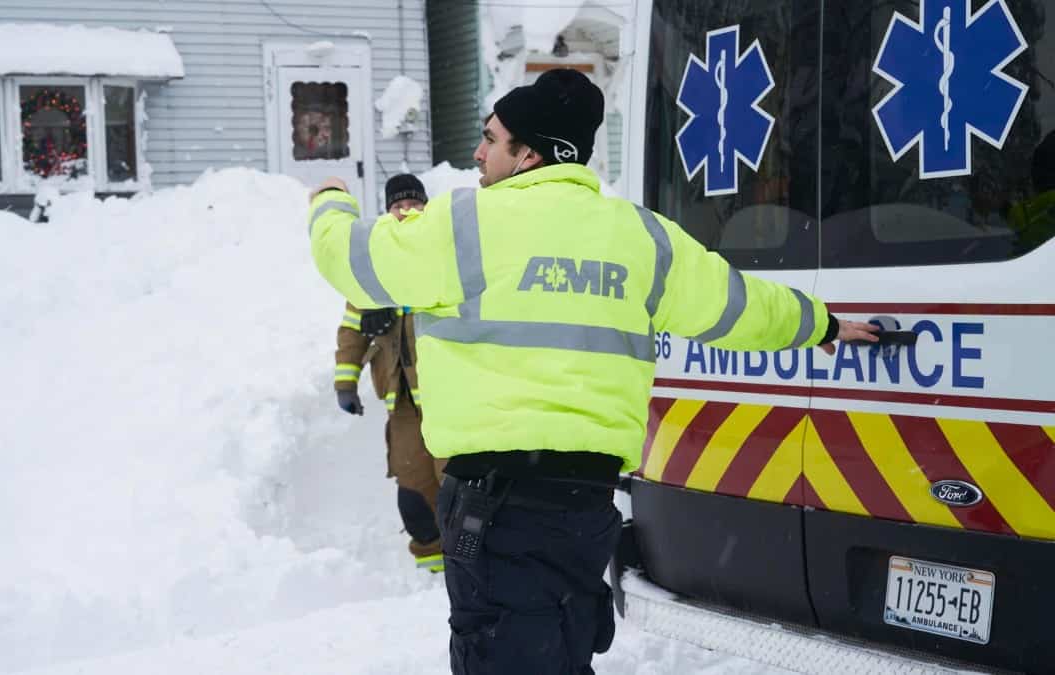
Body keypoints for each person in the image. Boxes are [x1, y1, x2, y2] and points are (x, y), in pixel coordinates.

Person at [307, 69, 878, 674]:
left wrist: (331, 198)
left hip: (496, 504)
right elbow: (734, 306)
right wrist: (818, 324)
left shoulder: (462, 224)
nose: (477, 152)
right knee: (560, 650)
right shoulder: (640, 235)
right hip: (585, 508)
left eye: (491, 138)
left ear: (529, 153)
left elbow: (348, 259)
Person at [332, 174, 446, 573]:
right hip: (401, 401)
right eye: (399, 203)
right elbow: (351, 327)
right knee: (414, 488)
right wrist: (345, 381)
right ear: (388, 209)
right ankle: (433, 569)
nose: (406, 209)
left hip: (448, 396)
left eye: (414, 202)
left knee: (459, 485)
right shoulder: (373, 262)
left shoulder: (443, 252)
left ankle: (471, 568)